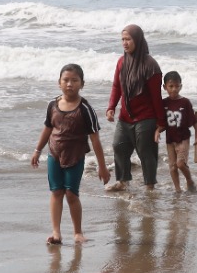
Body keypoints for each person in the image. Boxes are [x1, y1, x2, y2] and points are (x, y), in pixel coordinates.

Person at [31, 63, 110, 245]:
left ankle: (77, 232)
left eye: (74, 80)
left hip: (75, 156)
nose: (69, 84)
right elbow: (47, 129)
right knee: (56, 192)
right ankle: (56, 233)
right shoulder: (53, 105)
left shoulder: (85, 109)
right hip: (54, 154)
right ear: (59, 83)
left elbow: (95, 139)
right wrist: (37, 150)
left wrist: (102, 167)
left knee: (71, 194)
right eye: (65, 80)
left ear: (82, 84)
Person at [105, 24, 165, 191]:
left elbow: (156, 97)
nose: (124, 43)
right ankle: (123, 181)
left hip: (146, 117)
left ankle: (150, 186)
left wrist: (161, 122)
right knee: (118, 145)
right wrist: (111, 107)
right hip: (125, 116)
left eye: (128, 39)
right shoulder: (121, 62)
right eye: (122, 39)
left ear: (137, 40)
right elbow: (117, 86)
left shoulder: (150, 65)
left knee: (145, 151)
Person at [162, 69, 197, 192]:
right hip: (170, 139)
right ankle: (178, 190)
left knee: (180, 164)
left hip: (183, 138)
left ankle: (189, 180)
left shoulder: (185, 102)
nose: (174, 89)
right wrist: (157, 131)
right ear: (165, 87)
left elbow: (194, 120)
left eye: (177, 86)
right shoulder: (163, 103)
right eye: (171, 86)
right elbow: (161, 122)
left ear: (181, 86)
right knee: (173, 167)